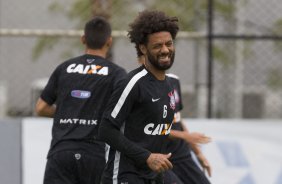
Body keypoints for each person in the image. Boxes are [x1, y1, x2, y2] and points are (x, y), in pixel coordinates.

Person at [35, 16, 127, 184]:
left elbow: (41, 108)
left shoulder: (64, 68)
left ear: (83, 39)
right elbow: (124, 113)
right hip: (94, 154)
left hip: (61, 152)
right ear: (109, 41)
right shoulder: (117, 73)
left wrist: (67, 112)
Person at [98, 10, 179, 184]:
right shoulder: (133, 83)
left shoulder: (170, 85)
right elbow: (105, 129)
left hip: (151, 177)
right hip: (124, 176)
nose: (165, 50)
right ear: (143, 48)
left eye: (169, 44)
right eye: (157, 46)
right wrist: (147, 157)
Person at [164, 73, 212, 184]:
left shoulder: (173, 80)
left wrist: (198, 153)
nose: (164, 56)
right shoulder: (139, 86)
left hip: (182, 155)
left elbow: (178, 119)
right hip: (161, 159)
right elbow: (147, 129)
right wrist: (185, 135)